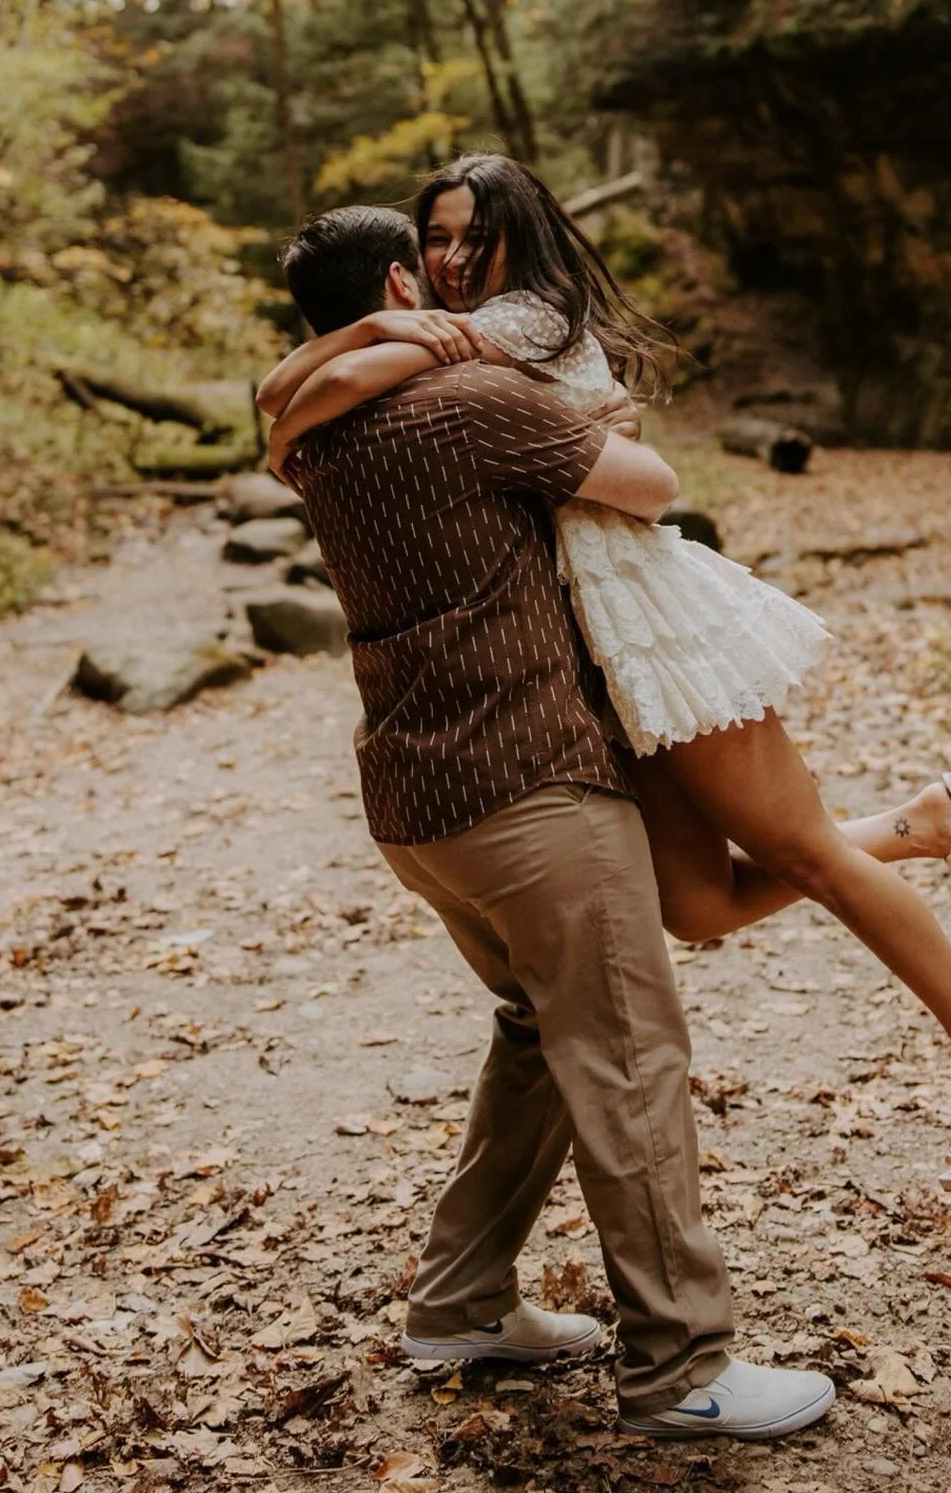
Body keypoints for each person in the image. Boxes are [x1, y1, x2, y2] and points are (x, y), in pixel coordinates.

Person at [259, 159, 951, 1194]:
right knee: (697, 905)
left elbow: (305, 393)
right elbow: (293, 391)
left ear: (520, 239)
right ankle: (924, 823)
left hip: (648, 622)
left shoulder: (519, 321)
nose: (455, 258)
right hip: (587, 650)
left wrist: (315, 400)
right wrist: (373, 334)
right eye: (438, 240)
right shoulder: (443, 336)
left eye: (476, 236)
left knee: (806, 855)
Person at [273, 202, 837, 1440]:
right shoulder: (471, 398)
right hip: (531, 784)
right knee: (628, 1056)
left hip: (417, 807)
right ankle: (682, 1367)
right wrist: (594, 423)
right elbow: (655, 490)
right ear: (399, 284)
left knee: (539, 1032)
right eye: (432, 265)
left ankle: (459, 1303)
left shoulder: (309, 434)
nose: (454, 279)